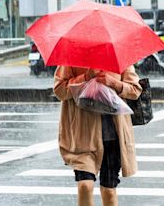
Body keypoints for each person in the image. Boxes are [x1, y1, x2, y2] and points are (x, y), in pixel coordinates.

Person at [54, 66, 142, 206]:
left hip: (113, 136)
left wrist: (114, 83)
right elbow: (59, 91)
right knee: (85, 186)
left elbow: (135, 90)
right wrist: (85, 78)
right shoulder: (72, 58)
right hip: (82, 135)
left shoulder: (117, 57)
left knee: (108, 191)